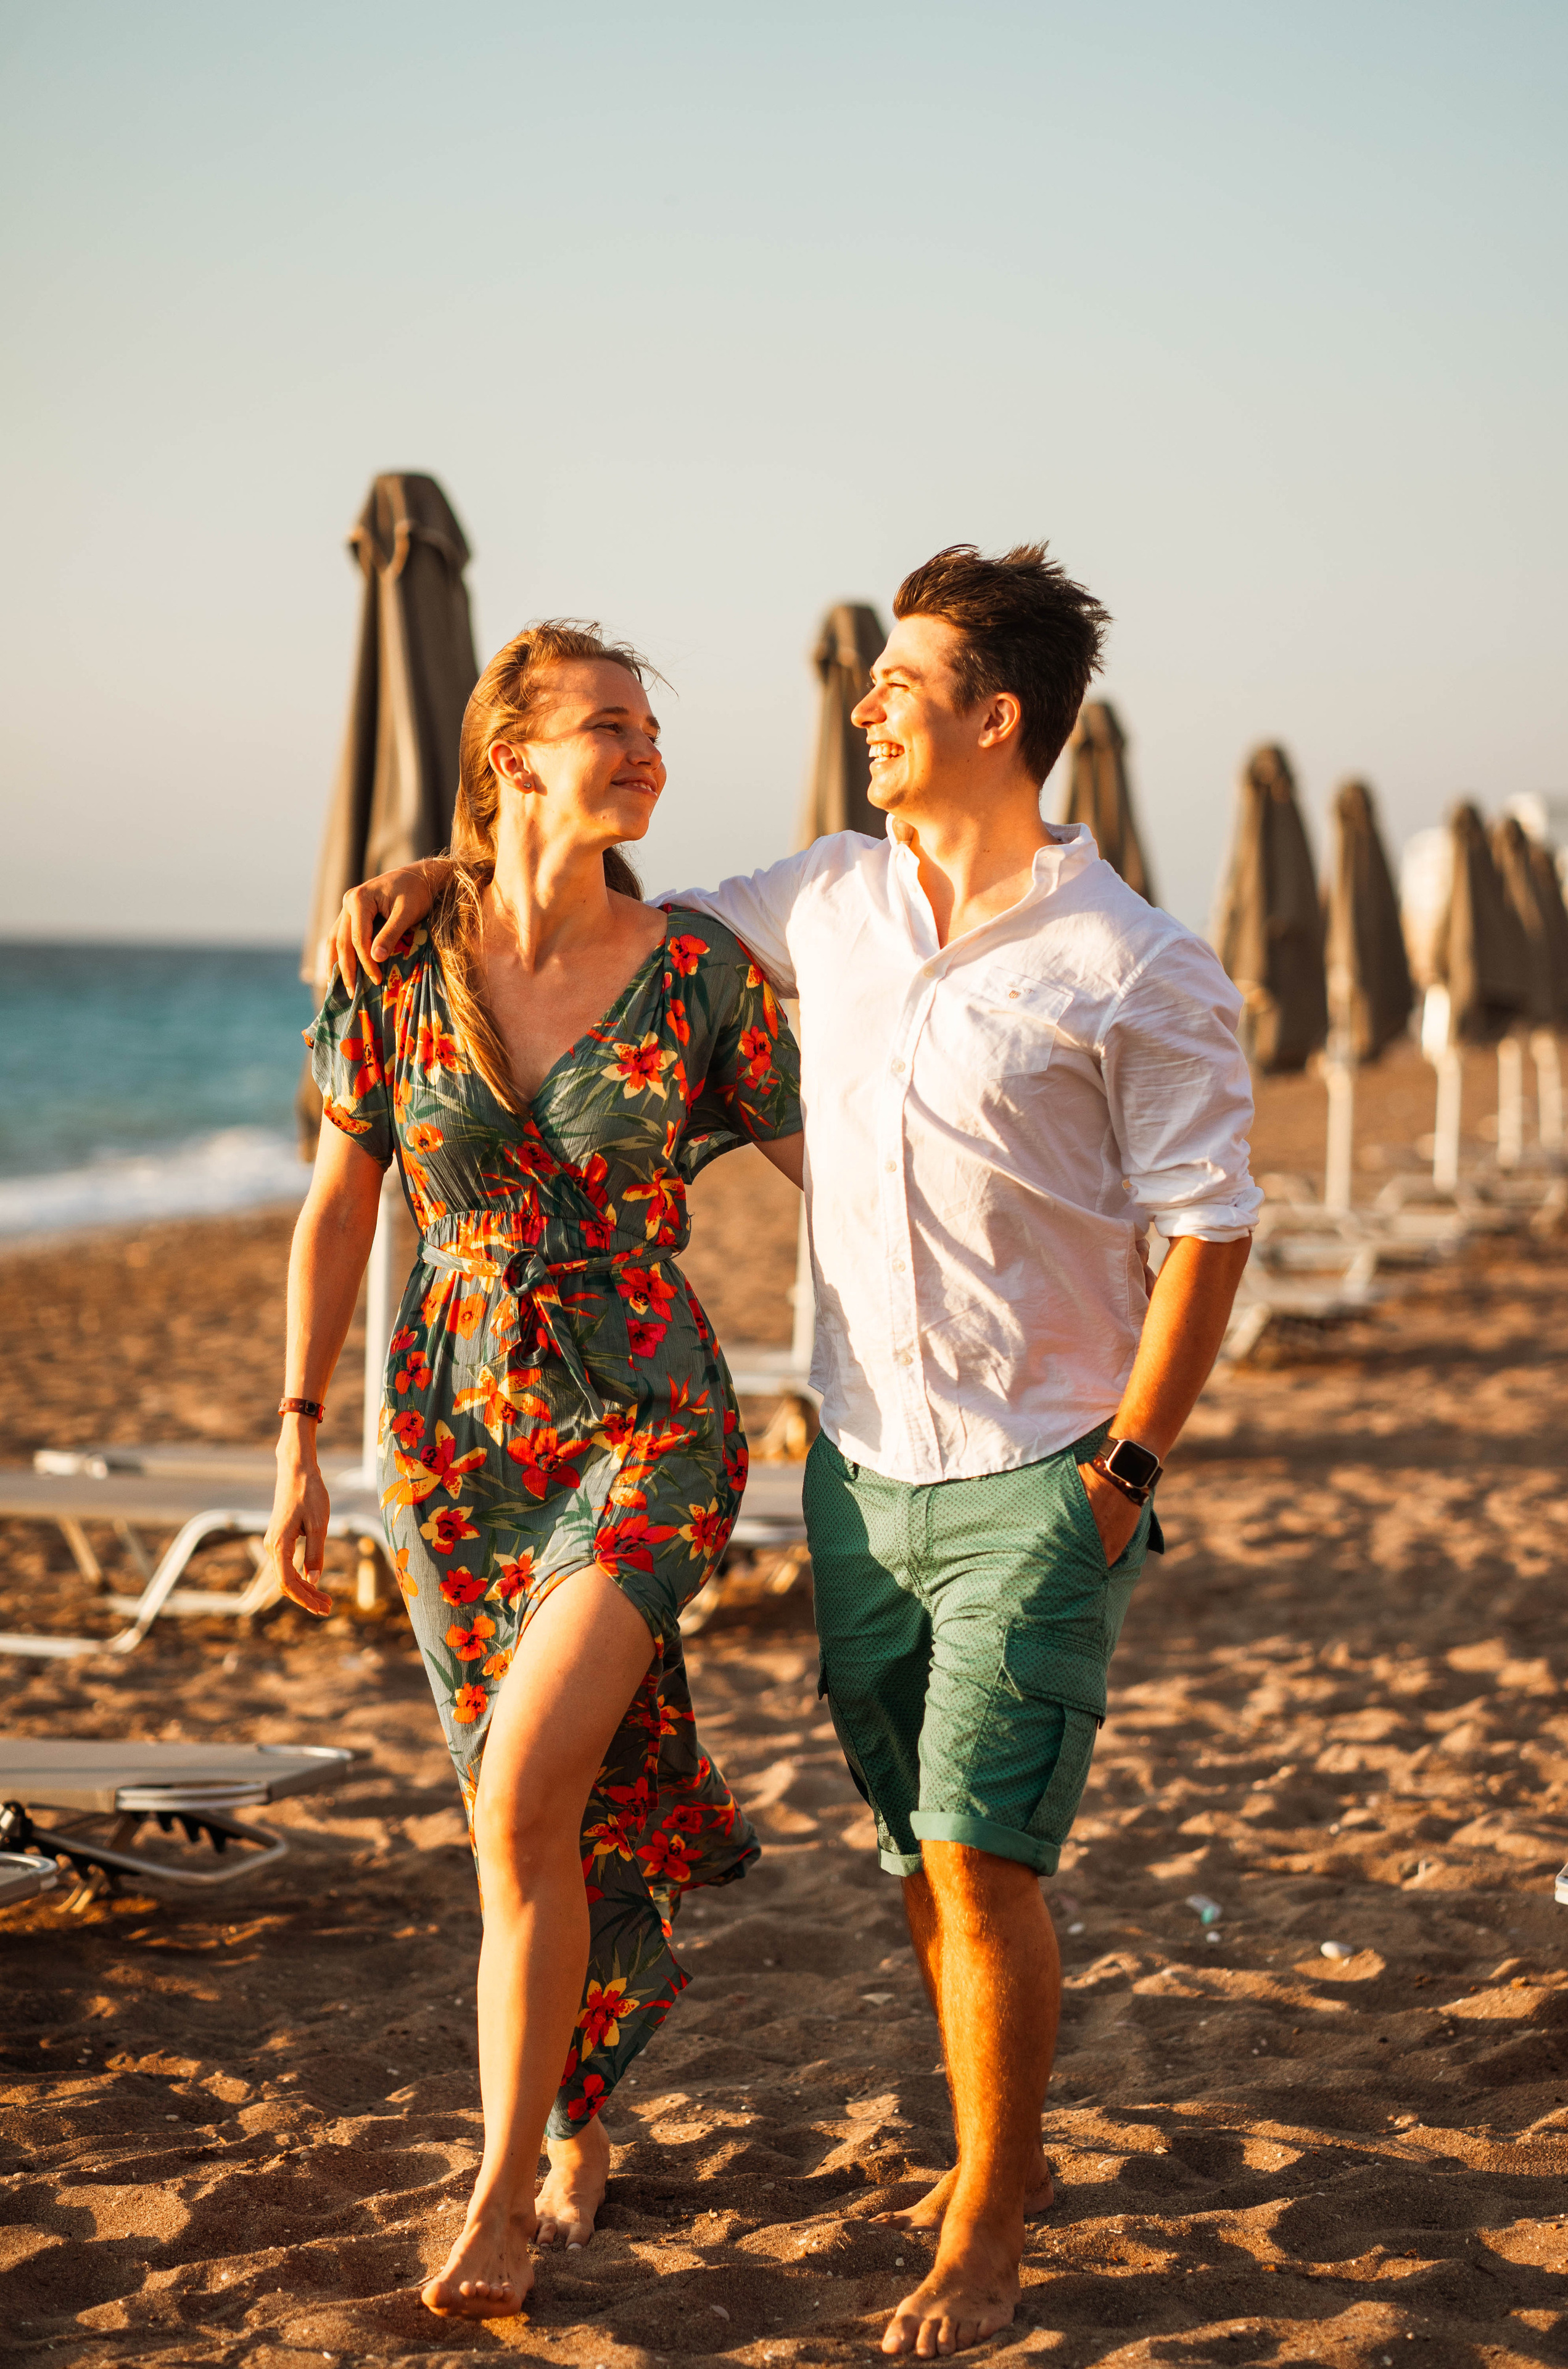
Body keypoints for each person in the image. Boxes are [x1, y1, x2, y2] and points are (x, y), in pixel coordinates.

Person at [337, 544, 1260, 2358]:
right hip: (854, 1469)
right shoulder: (821, 897)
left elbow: (1210, 1226)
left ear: (994, 720)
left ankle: (991, 2222)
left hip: (1039, 1474)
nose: (868, 708)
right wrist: (442, 865)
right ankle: (1009, 2154)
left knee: (985, 1859)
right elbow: (603, 913)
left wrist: (1126, 1472)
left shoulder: (1134, 965)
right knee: (921, 1859)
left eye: (901, 686)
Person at [270, 621, 804, 2321]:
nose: (646, 753)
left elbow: (845, 1172)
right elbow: (341, 1204)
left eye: (653, 728)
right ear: (512, 760)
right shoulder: (399, 956)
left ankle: (499, 2196)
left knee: (521, 1801)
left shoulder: (702, 969)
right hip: (448, 1439)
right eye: (608, 728)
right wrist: (295, 1438)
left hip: (649, 1414)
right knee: (539, 1817)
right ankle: (577, 2115)